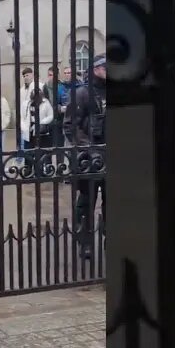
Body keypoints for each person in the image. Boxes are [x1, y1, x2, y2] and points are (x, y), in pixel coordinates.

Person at [65, 56, 107, 260]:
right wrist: (90, 149)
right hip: (89, 158)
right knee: (86, 201)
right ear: (95, 69)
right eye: (105, 66)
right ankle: (86, 241)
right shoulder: (81, 93)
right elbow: (71, 126)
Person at [20, 67, 56, 175]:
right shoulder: (23, 93)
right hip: (28, 128)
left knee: (43, 150)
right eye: (24, 76)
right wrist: (23, 127)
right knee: (28, 151)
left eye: (27, 75)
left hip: (41, 128)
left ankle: (43, 170)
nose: (26, 77)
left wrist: (41, 123)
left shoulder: (43, 95)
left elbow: (50, 114)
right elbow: (22, 115)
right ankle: (28, 170)